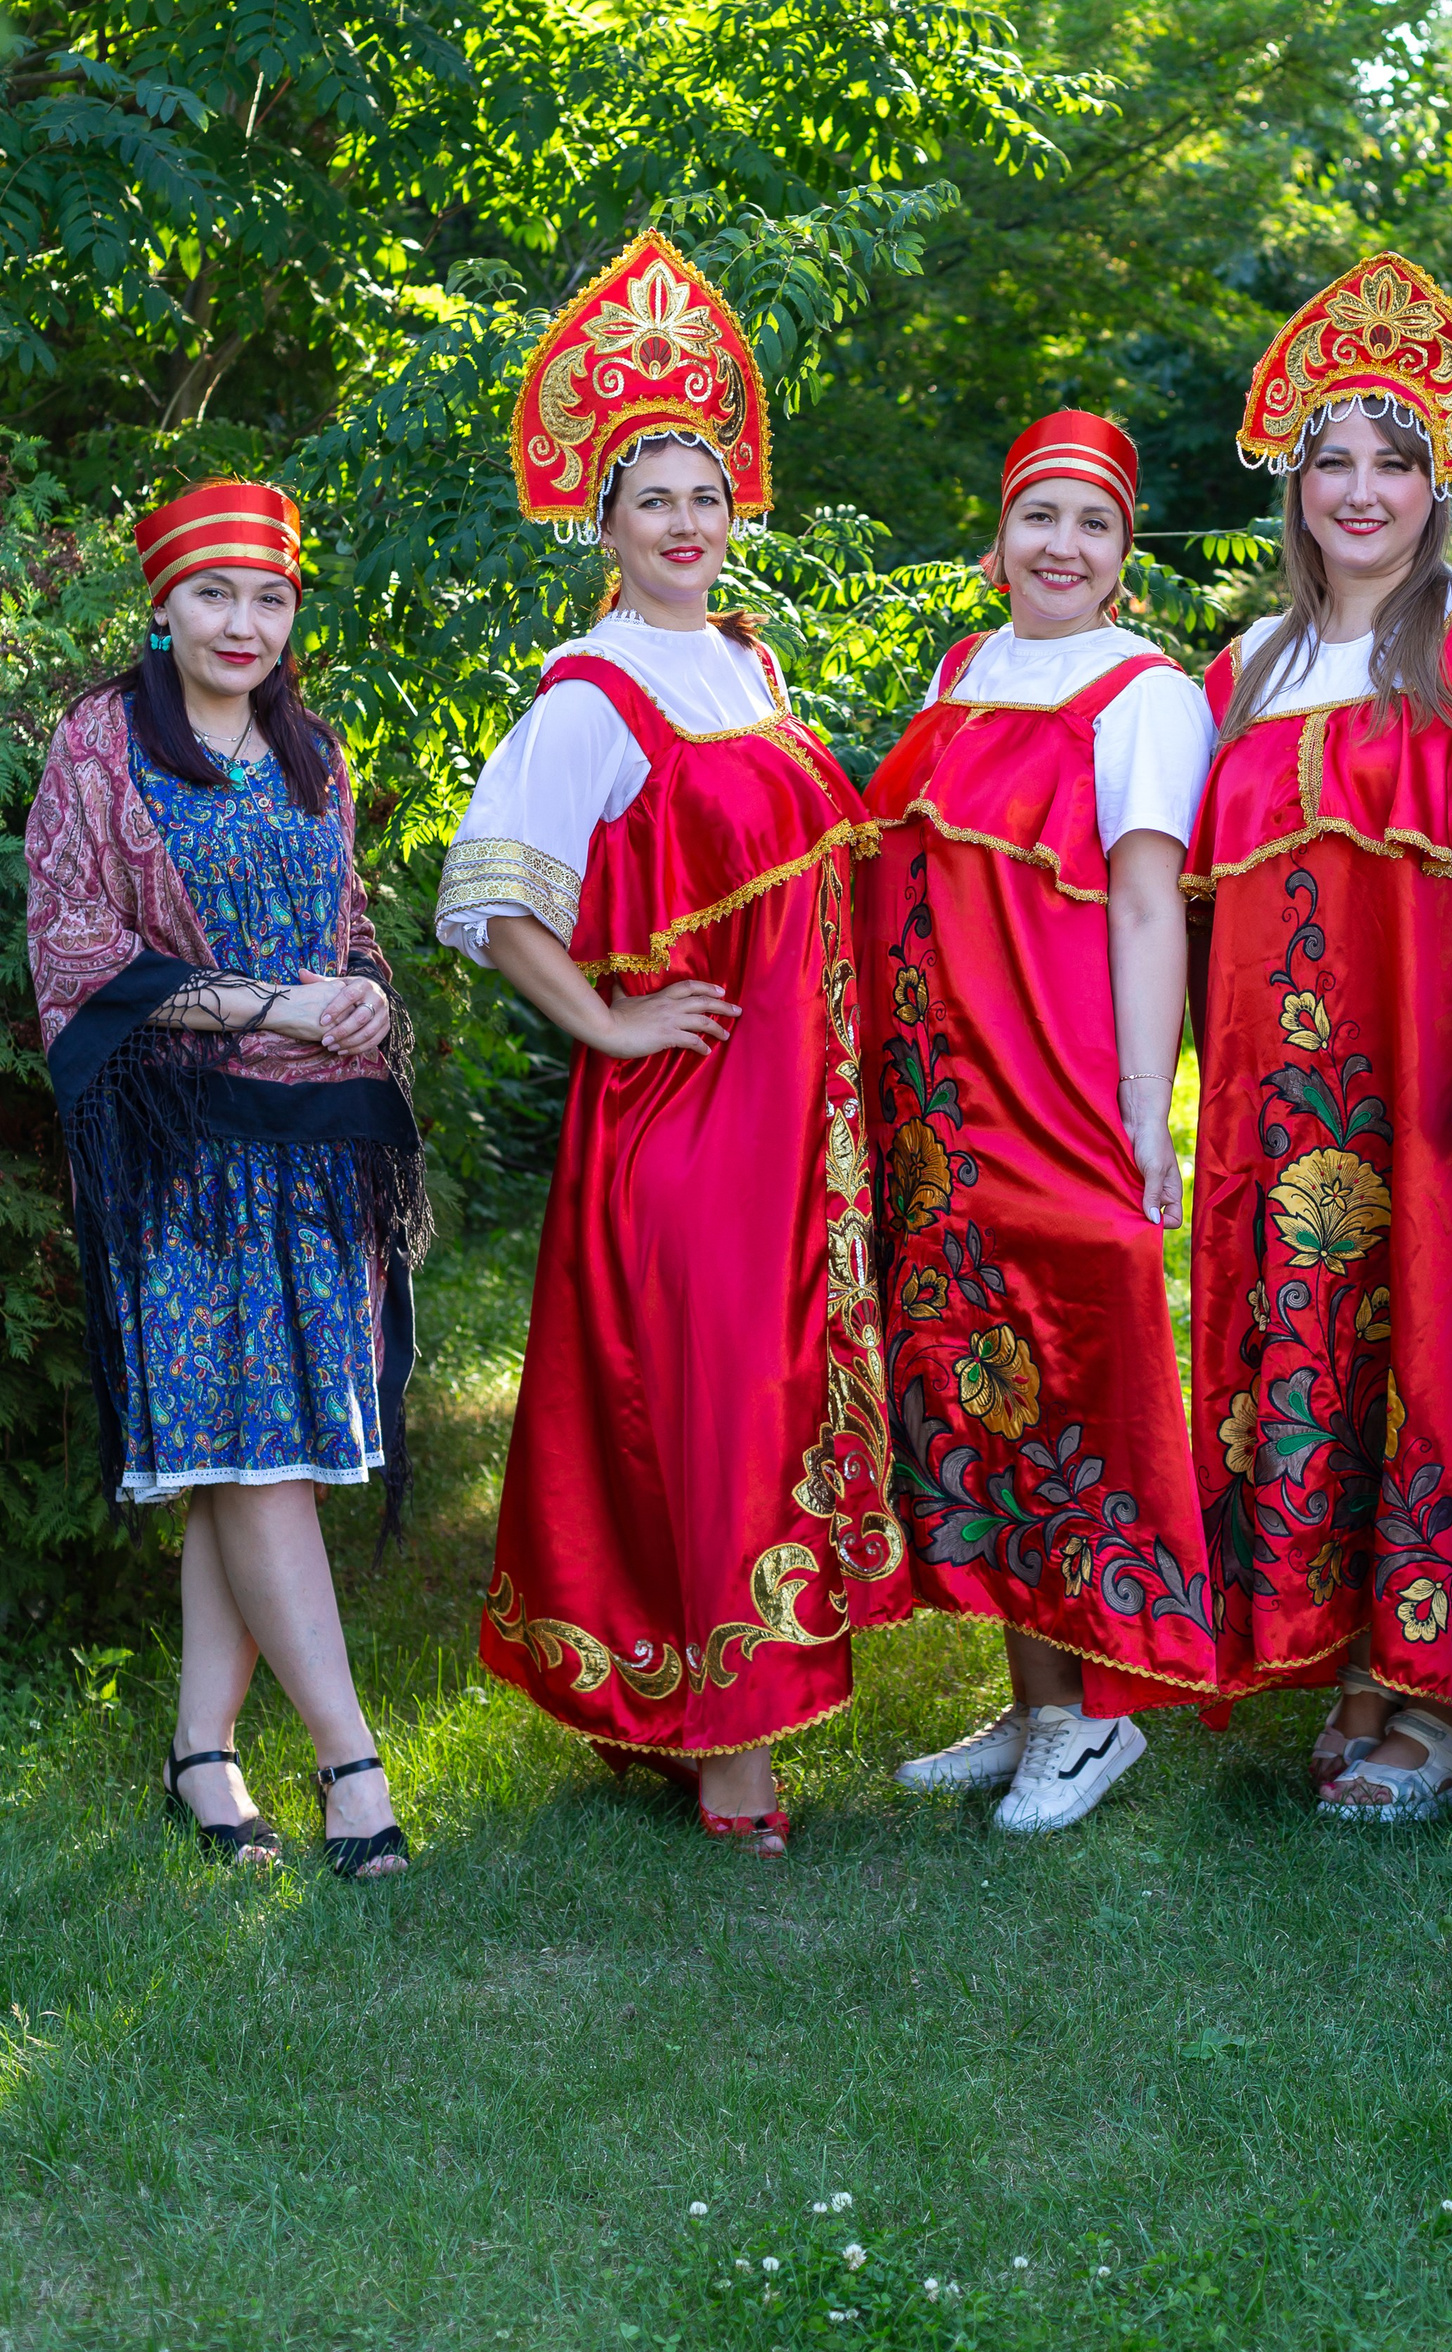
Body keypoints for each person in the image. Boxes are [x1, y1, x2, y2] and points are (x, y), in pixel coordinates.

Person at [436, 230, 898, 1860]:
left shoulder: (746, 666)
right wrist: (609, 1015)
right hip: (686, 1126)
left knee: (754, 1400)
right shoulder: (588, 694)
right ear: (606, 524)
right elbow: (491, 896)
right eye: (654, 503)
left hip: (791, 1124)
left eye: (706, 496)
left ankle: (669, 1705)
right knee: (716, 1408)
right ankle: (731, 1760)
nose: (687, 524)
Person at [1186, 256, 1452, 1821]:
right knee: (1309, 1357)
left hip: (1444, 1087)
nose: (1363, 491)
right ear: (1294, 483)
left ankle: (1444, 1694)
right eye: (1334, 461)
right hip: (1273, 1108)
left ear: (1443, 484)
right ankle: (1350, 1660)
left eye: (1396, 461)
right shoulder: (1244, 668)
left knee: (1444, 1346)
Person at [25, 480, 426, 1879]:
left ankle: (202, 1753)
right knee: (260, 1459)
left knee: (256, 1460)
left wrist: (363, 991)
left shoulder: (311, 750)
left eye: (269, 596)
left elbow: (348, 920)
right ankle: (350, 1766)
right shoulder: (101, 746)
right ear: (165, 605)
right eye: (213, 594)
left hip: (315, 1145)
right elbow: (77, 950)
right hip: (186, 1149)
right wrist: (270, 1007)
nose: (242, 622)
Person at [860, 411, 1218, 1833]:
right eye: (1039, 517)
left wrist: (1144, 1110)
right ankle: (1035, 1700)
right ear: (998, 536)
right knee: (978, 1378)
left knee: (1078, 1365)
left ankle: (1100, 1714)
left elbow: (1146, 908)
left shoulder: (1147, 693)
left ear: (1125, 555)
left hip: (1056, 1084)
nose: (1062, 547)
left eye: (1094, 525)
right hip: (937, 1102)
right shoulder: (962, 675)